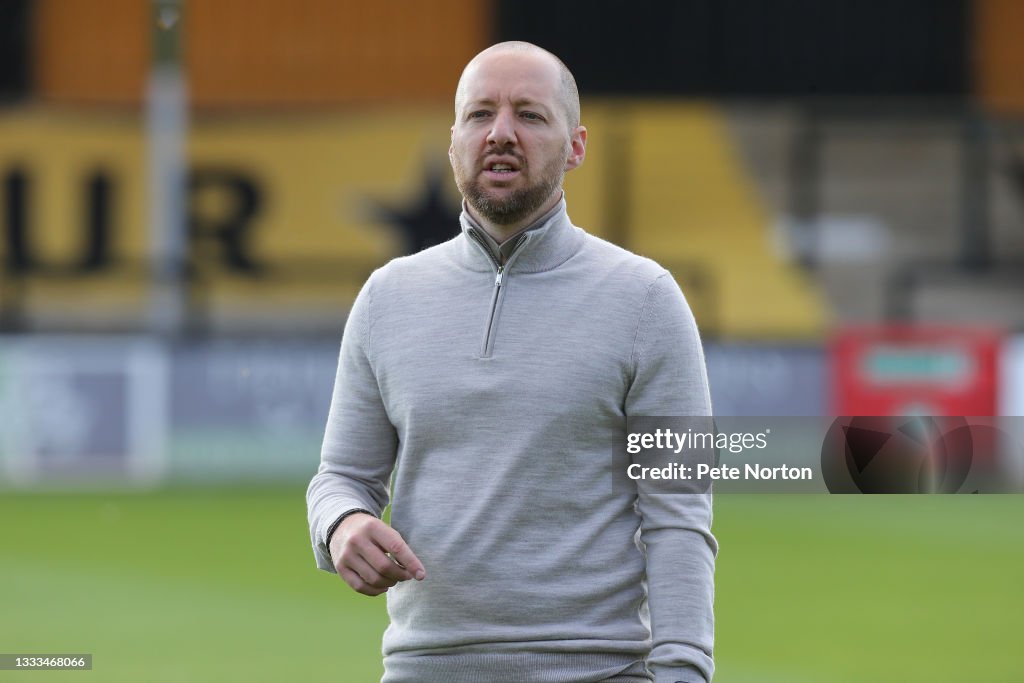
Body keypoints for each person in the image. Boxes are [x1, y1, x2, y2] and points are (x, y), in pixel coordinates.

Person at [307, 41, 716, 683]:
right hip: (424, 670)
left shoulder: (645, 299)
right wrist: (343, 525)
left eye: (529, 114)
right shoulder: (387, 297)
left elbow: (678, 514)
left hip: (598, 671)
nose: (500, 133)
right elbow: (339, 478)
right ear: (453, 142)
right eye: (479, 115)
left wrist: (684, 672)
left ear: (576, 145)